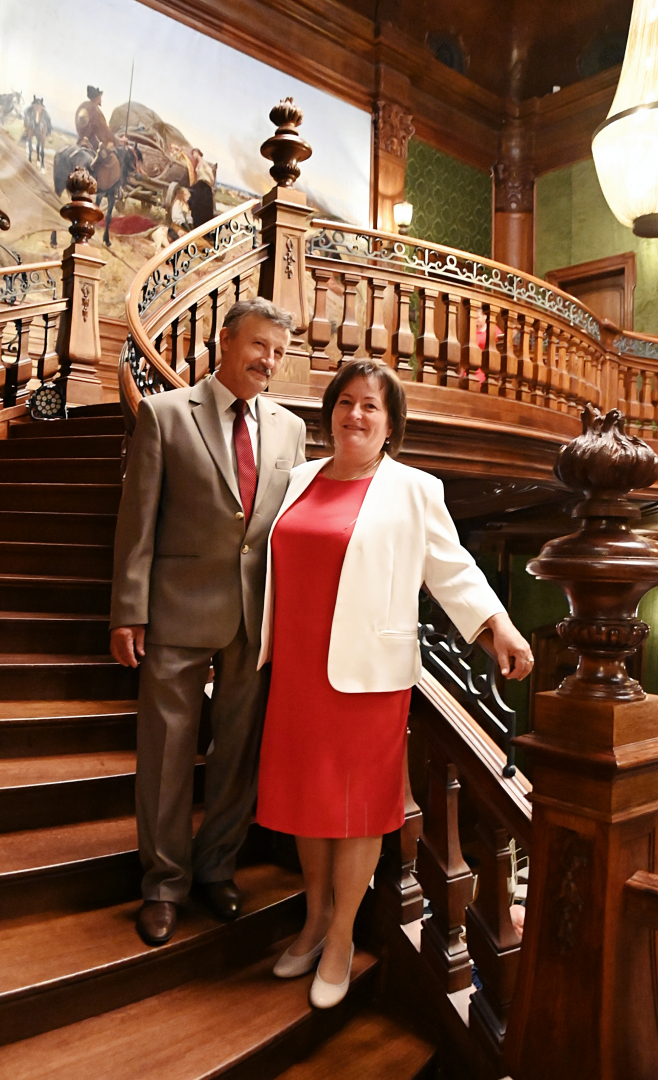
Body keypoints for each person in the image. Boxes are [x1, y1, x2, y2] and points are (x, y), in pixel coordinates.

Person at [255, 358, 533, 1008]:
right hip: (297, 670)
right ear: (330, 411)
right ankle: (315, 919)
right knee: (306, 802)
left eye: (370, 406)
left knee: (356, 812)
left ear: (390, 424)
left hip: (369, 680)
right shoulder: (297, 479)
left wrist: (498, 625)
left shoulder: (413, 489)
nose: (355, 414)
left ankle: (341, 937)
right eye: (345, 401)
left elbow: (453, 569)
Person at [110, 297, 306, 946]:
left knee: (237, 755)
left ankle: (217, 866)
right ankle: (164, 884)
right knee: (166, 754)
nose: (268, 361)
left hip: (256, 619)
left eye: (278, 352)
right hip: (175, 612)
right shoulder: (165, 415)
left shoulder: (291, 429)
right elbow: (137, 522)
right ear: (226, 341)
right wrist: (128, 611)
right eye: (259, 346)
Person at [75, 86, 116, 151]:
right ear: (97, 98)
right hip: (93, 145)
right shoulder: (95, 111)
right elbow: (104, 130)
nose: (101, 100)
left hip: (80, 141)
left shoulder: (83, 106)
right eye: (100, 98)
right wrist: (114, 140)